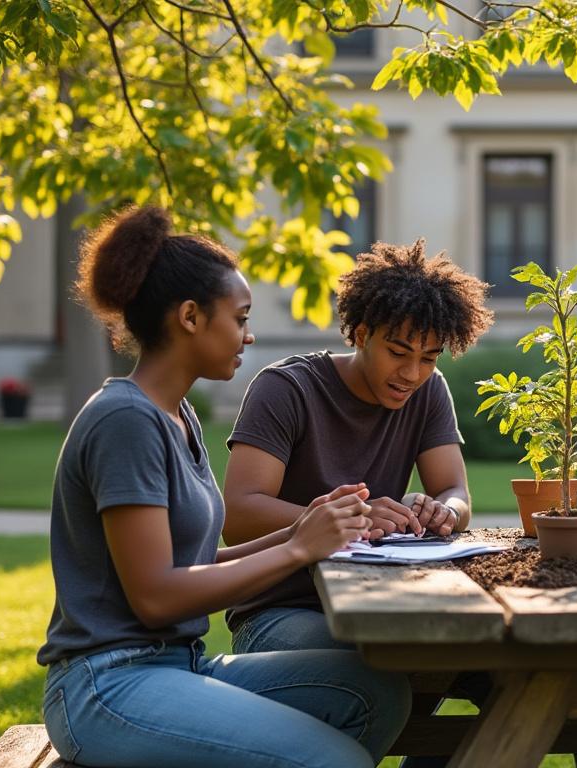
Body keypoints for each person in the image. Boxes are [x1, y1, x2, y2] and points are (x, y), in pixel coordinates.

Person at [38, 206, 410, 768]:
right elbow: (157, 595)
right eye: (239, 318)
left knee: (376, 691)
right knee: (333, 761)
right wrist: (294, 548)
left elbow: (196, 561)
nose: (248, 333)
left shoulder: (177, 415)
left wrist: (310, 528)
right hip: (106, 684)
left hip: (175, 665)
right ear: (190, 317)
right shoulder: (125, 421)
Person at [221, 238, 494, 655]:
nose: (412, 373)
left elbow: (456, 493)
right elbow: (238, 515)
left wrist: (443, 511)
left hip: (383, 599)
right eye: (398, 352)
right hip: (281, 609)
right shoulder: (286, 389)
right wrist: (355, 519)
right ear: (362, 334)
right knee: (376, 667)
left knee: (476, 657)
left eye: (429, 358)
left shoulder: (428, 392)